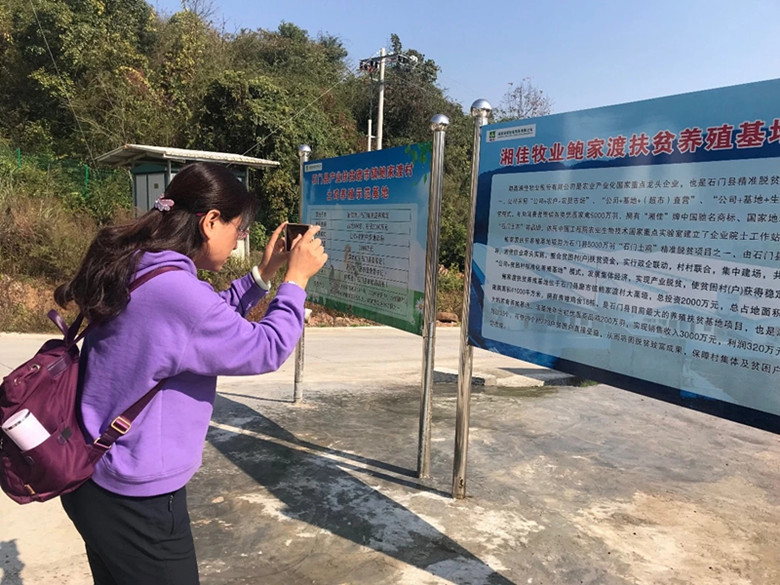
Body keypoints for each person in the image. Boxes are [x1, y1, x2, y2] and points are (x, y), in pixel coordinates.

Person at [54, 161, 327, 585]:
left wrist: (265, 273)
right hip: (137, 501)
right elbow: (266, 348)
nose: (240, 238)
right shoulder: (177, 291)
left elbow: (201, 319)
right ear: (210, 221)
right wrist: (295, 281)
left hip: (90, 476)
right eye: (238, 228)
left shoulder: (141, 261)